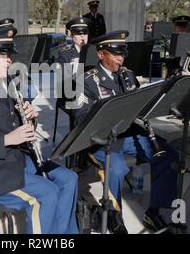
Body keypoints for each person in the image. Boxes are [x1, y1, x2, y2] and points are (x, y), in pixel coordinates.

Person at [0, 27, 78, 234]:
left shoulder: (11, 84)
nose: (9, 59)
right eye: (2, 54)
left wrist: (29, 119)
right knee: (46, 194)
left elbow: (21, 131)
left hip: (18, 159)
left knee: (69, 179)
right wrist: (8, 139)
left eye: (9, 54)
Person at [73, 31, 179, 234]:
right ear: (101, 54)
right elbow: (80, 119)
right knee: (117, 167)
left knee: (168, 156)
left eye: (123, 53)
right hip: (101, 139)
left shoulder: (127, 74)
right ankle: (115, 216)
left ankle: (155, 210)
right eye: (115, 53)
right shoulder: (84, 81)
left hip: (129, 134)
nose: (121, 58)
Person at [57, 17, 90, 129]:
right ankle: (76, 137)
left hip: (89, 91)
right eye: (78, 33)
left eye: (85, 33)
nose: (82, 36)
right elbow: (64, 81)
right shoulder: (65, 54)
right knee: (78, 105)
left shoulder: (94, 52)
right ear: (72, 36)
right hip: (70, 93)